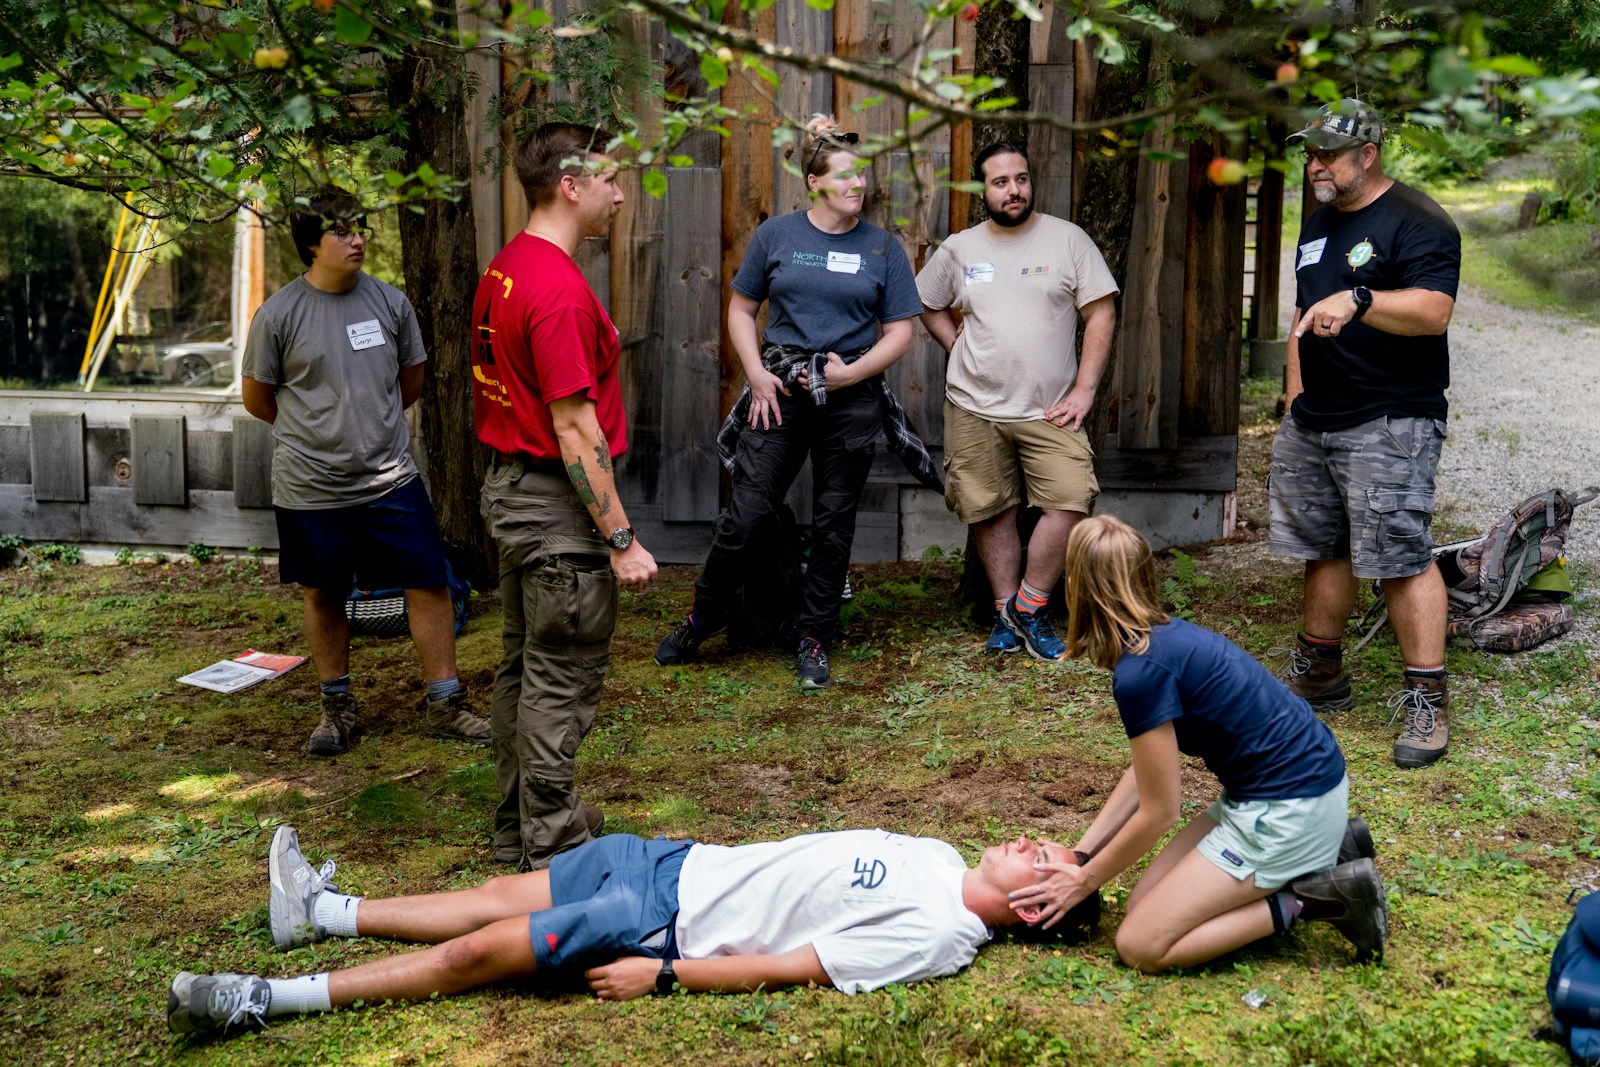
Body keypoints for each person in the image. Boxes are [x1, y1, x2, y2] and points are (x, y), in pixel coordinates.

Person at [166, 822, 1101, 1034]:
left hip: (661, 919)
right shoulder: (941, 856)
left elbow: (802, 965)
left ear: (1035, 908)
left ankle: (265, 1003)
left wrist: (666, 978)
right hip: (670, 860)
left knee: (474, 957)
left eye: (1047, 861)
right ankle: (320, 914)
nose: (1033, 842)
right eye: (1052, 843)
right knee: (498, 893)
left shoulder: (941, 934)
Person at [1009, 515, 1387, 973]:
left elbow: (1161, 810)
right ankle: (1333, 846)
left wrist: (1084, 881)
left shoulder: (1141, 672)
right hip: (1287, 794)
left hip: (1286, 812)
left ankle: (1316, 896)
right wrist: (1082, 856)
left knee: (1140, 944)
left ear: (1076, 589)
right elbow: (1144, 774)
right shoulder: (1162, 638)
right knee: (1141, 904)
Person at [654, 114, 934, 690]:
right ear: (814, 182)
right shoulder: (777, 236)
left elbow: (901, 332)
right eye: (847, 176)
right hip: (779, 389)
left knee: (834, 526)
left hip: (850, 399)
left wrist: (851, 373)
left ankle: (813, 636)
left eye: (863, 177)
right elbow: (739, 310)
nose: (859, 185)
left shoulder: (883, 248)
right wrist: (755, 375)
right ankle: (703, 616)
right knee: (747, 517)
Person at [241, 188, 490, 757]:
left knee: (428, 583)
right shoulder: (278, 314)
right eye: (342, 232)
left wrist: (365, 431)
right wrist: (319, 436)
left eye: (360, 229)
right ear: (311, 244)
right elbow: (258, 398)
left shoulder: (389, 303)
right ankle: (337, 708)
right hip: (310, 487)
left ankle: (445, 702)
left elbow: (411, 382)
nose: (357, 240)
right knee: (324, 591)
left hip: (390, 481)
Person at [471, 123, 659, 872]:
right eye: (611, 179)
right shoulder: (556, 291)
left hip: (513, 495)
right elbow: (576, 431)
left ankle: (518, 822)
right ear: (571, 186)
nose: (620, 193)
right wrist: (620, 538)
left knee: (525, 664)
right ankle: (553, 845)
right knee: (560, 675)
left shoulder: (507, 269)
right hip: (554, 509)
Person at [1270, 98, 1461, 769]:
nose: (1315, 163)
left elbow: (1434, 311)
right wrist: (1295, 398)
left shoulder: (1418, 220)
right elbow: (1302, 308)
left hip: (1392, 415)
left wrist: (1363, 299)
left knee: (1400, 554)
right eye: (1311, 152)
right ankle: (1320, 673)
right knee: (1323, 545)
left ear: (1368, 154)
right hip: (1317, 416)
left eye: (1328, 152)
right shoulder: (1319, 223)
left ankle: (1427, 700)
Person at [916, 142, 1119, 662]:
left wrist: (1085, 391)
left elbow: (1100, 314)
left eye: (1021, 179)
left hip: (1051, 408)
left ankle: (1030, 604)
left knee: (1071, 498)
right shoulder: (960, 249)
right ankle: (1007, 612)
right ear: (981, 189)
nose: (1014, 190)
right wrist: (952, 342)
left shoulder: (1067, 241)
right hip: (973, 405)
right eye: (1002, 182)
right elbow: (925, 301)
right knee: (989, 510)